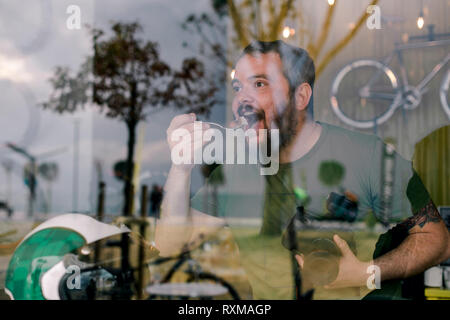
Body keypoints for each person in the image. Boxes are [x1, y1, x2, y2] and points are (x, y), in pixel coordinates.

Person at [155, 40, 449, 299]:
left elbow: (437, 241)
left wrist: (366, 273)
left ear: (300, 96)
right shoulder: (235, 165)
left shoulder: (368, 154)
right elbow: (170, 245)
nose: (241, 99)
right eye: (237, 87)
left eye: (259, 84)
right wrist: (181, 168)